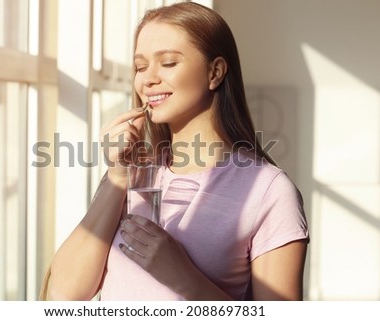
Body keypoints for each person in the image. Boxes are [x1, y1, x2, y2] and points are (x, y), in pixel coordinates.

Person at [48, 2, 309, 301]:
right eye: (140, 67)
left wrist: (184, 278)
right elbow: (64, 295)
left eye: (168, 63)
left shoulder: (269, 190)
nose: (148, 80)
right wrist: (118, 175)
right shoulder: (130, 173)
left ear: (215, 72)